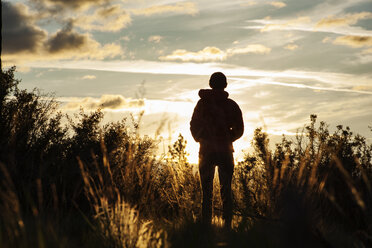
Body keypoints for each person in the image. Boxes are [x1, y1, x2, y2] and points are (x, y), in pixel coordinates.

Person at [190, 72, 244, 230]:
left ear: (210, 83)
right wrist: (228, 138)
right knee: (226, 190)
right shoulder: (231, 105)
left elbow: (193, 125)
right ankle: (227, 227)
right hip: (225, 152)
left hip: (206, 151)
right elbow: (240, 129)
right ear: (225, 85)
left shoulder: (201, 104)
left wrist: (202, 139)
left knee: (206, 193)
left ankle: (206, 227)